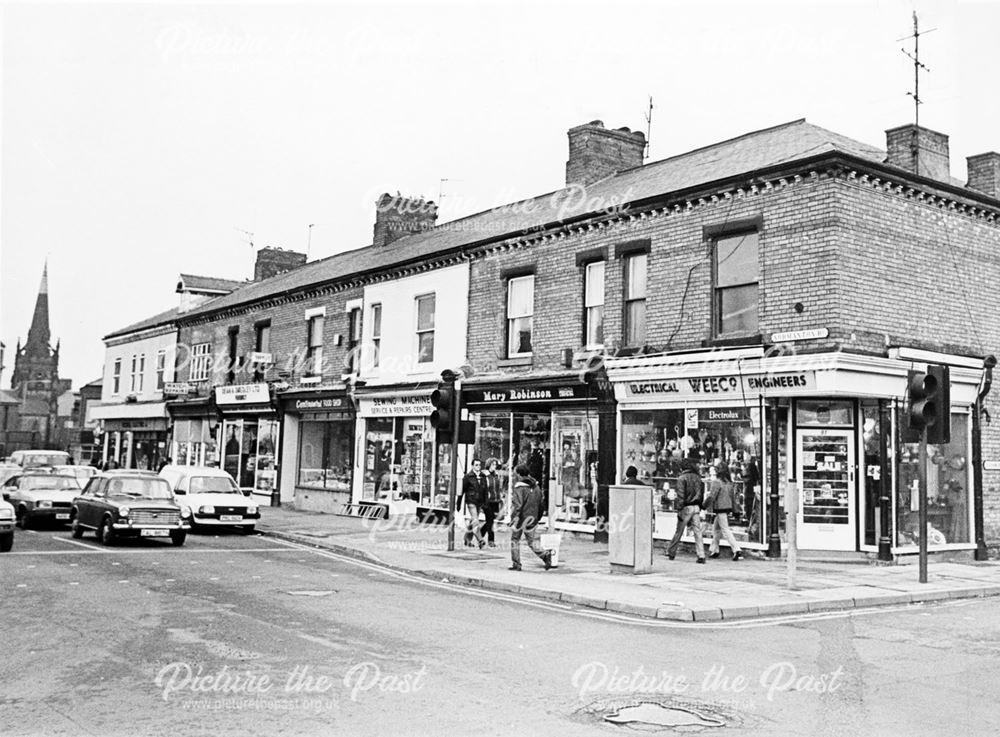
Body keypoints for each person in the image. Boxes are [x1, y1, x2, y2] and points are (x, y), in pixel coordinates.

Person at [509, 464, 552, 571]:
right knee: (531, 541)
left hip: (520, 520)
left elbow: (517, 506)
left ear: (519, 474)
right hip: (532, 518)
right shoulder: (536, 487)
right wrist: (538, 517)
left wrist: (514, 520)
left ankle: (516, 564)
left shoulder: (519, 488)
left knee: (515, 539)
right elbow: (541, 504)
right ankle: (545, 555)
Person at [666, 459, 706, 563]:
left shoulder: (681, 478)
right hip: (696, 506)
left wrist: (679, 509)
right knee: (698, 532)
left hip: (686, 507)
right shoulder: (698, 478)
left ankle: (671, 551)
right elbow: (701, 493)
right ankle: (701, 555)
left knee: (679, 531)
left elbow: (681, 496)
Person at [704, 465, 744, 560]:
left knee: (725, 530)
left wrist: (703, 505)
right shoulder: (729, 483)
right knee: (716, 529)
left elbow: (712, 496)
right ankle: (715, 550)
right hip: (726, 508)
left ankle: (736, 549)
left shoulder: (716, 482)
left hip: (720, 508)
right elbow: (733, 499)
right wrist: (736, 511)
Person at [461, 458, 487, 549]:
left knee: (473, 521)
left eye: (479, 465)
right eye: (476, 465)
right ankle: (480, 540)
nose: (478, 467)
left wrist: (485, 502)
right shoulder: (468, 477)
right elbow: (462, 490)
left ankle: (467, 540)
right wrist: (458, 503)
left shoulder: (483, 476)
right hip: (471, 501)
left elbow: (485, 491)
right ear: (472, 466)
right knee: (475, 520)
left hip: (479, 502)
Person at [481, 457, 503, 546]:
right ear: (489, 465)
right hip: (487, 501)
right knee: (490, 521)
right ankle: (491, 541)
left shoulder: (496, 475)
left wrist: (500, 498)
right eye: (493, 464)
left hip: (495, 501)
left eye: (495, 465)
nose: (495, 466)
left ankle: (479, 534)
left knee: (490, 520)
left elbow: (498, 488)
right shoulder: (484, 475)